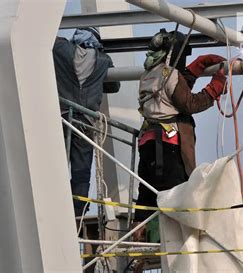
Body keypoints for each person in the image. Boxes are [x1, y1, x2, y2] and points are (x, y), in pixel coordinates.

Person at [130, 28, 226, 272]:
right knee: (179, 193)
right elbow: (188, 103)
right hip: (170, 147)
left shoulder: (149, 74)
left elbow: (169, 95)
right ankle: (186, 243)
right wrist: (216, 85)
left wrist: (195, 69)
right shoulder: (170, 74)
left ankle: (139, 224)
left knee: (148, 188)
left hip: (149, 142)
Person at [53, 27, 120, 216]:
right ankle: (78, 212)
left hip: (62, 118)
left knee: (57, 165)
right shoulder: (103, 60)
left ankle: (54, 206)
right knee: (81, 171)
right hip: (86, 122)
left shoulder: (60, 48)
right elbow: (114, 86)